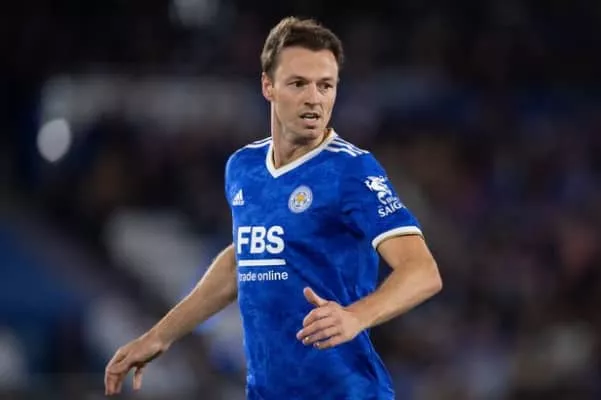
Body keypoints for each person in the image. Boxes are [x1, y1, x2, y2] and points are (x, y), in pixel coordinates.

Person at [104, 16, 442, 399]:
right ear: (268, 86)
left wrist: (355, 316)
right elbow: (240, 262)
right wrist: (159, 336)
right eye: (298, 83)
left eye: (325, 85)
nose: (314, 98)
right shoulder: (243, 168)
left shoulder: (350, 170)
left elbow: (422, 270)